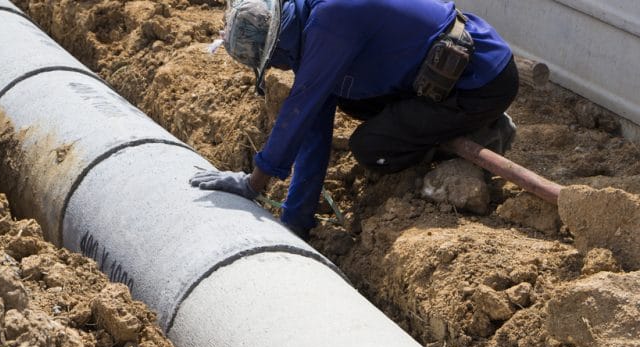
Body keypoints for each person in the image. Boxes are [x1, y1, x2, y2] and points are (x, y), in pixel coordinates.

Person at [189, 0, 519, 239]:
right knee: (348, 97)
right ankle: (450, 122)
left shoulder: (330, 22)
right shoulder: (311, 16)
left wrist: (252, 184)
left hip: (479, 81)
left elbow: (299, 109)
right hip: (446, 71)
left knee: (372, 148)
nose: (278, 69)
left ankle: (482, 130)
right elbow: (313, 121)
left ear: (276, 48)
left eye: (271, 62)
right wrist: (296, 219)